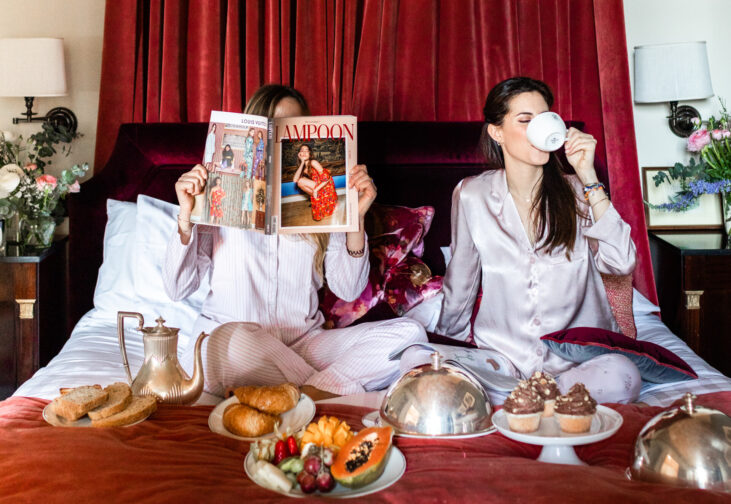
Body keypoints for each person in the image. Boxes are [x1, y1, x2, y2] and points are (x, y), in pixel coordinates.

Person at [163, 83, 425, 399]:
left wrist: (353, 217)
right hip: (234, 343)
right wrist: (186, 218)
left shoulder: (319, 200)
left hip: (303, 343)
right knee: (232, 337)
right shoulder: (218, 192)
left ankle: (307, 395)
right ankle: (328, 391)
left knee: (411, 335)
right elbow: (177, 289)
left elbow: (349, 289)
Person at [435, 76, 642, 404]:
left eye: (544, 118)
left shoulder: (579, 192)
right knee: (421, 368)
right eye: (525, 120)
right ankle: (536, 400)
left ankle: (528, 401)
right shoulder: (471, 195)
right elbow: (460, 282)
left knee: (623, 376)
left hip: (575, 360)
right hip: (502, 360)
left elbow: (621, 262)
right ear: (497, 132)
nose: (538, 128)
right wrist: (445, 355)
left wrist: (588, 176)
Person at [293, 144, 338, 221]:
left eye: (306, 150)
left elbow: (327, 179)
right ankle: (319, 198)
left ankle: (319, 197)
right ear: (299, 154)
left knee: (301, 181)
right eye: (302, 151)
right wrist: (302, 162)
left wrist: (316, 190)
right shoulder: (303, 167)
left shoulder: (313, 162)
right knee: (299, 182)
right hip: (319, 185)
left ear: (310, 154)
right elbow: (295, 180)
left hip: (326, 185)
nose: (304, 152)